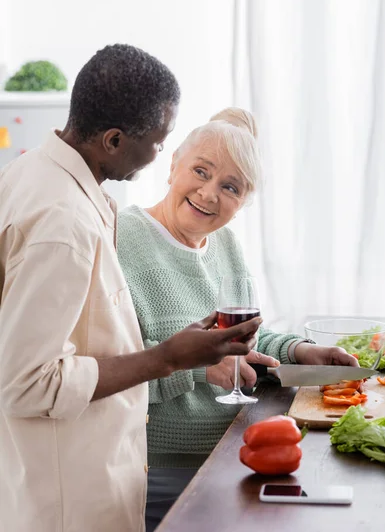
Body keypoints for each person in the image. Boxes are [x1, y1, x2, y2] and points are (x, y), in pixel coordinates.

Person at [0, 46, 261, 532]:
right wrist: (170, 359)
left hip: (90, 479)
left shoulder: (46, 178)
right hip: (67, 499)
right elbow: (25, 382)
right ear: (116, 140)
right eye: (160, 143)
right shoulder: (63, 222)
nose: (160, 152)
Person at [117, 108, 359, 531]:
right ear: (173, 164)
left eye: (230, 186)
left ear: (243, 202)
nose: (209, 194)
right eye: (200, 171)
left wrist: (299, 350)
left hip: (236, 455)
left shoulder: (226, 244)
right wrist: (198, 369)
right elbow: (106, 377)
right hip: (158, 473)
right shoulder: (121, 238)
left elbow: (244, 341)